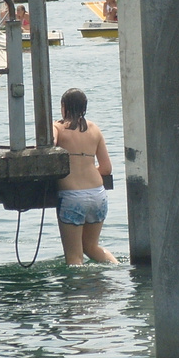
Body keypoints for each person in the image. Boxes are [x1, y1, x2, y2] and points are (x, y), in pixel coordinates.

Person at [52, 88, 117, 265]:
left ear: (63, 107)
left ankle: (77, 293)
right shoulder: (95, 129)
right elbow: (106, 168)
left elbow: (49, 143)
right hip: (98, 194)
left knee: (74, 256)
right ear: (84, 108)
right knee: (92, 247)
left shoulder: (57, 127)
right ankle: (117, 267)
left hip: (72, 197)